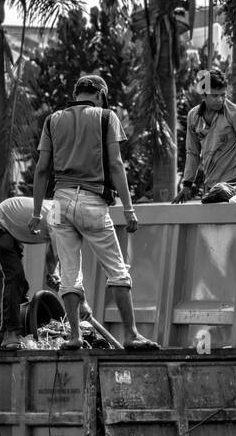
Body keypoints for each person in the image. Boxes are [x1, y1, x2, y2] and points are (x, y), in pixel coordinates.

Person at [31, 73, 157, 351]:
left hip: (59, 203)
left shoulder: (53, 120)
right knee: (117, 270)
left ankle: (75, 336)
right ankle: (132, 334)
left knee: (69, 274)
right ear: (100, 94)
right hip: (92, 202)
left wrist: (37, 213)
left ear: (76, 93)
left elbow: (41, 169)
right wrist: (129, 208)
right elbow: (116, 164)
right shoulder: (105, 117)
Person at [0, 195, 60, 350]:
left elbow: (51, 255)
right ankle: (9, 334)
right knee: (13, 278)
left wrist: (53, 274)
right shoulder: (60, 221)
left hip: (10, 231)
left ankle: (22, 331)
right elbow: (58, 254)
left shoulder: (62, 215)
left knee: (21, 284)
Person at [178, 68, 236, 203]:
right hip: (211, 185)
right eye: (215, 96)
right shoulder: (193, 117)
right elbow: (192, 152)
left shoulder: (235, 113)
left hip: (235, 186)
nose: (220, 100)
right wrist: (187, 185)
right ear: (203, 96)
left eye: (223, 95)